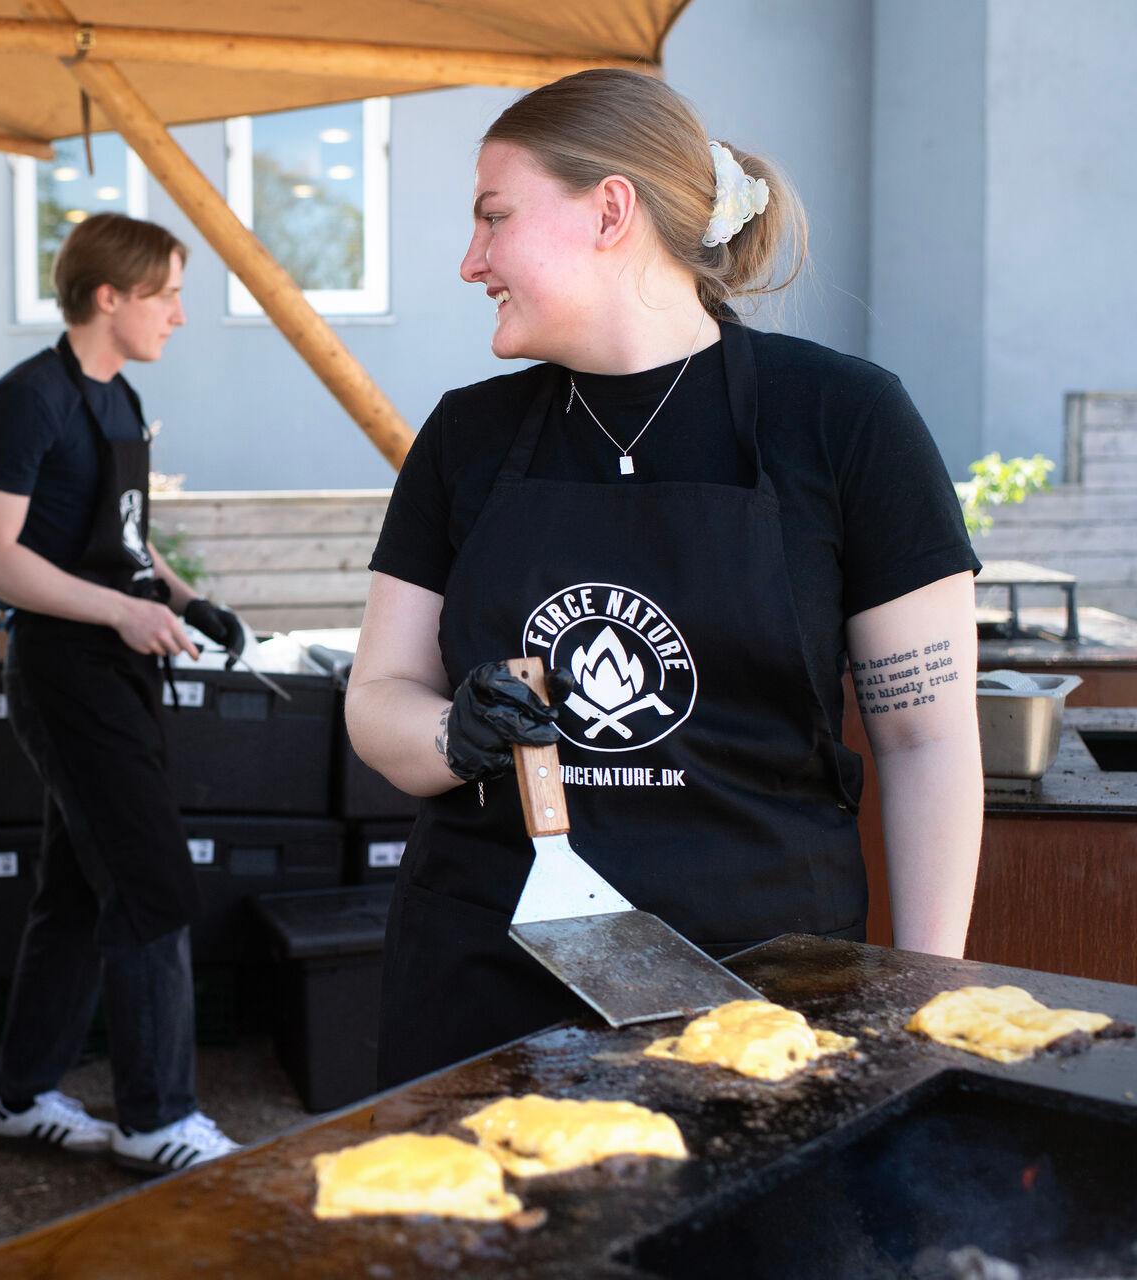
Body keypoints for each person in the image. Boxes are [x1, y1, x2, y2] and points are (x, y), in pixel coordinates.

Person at [347, 70, 985, 1087]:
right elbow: (375, 695)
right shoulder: (467, 437)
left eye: (494, 218)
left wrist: (922, 993)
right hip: (485, 985)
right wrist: (448, 733)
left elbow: (929, 735)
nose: (472, 262)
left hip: (770, 990)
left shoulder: (843, 418)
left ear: (610, 209)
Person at [0, 212, 243, 1174]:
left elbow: (122, 537)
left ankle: (23, 1092)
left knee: (81, 891)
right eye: (166, 293)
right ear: (109, 296)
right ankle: (158, 1116)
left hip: (116, 668)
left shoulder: (118, 400)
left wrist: (184, 598)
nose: (180, 314)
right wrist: (119, 616)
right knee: (153, 881)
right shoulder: (27, 400)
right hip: (60, 669)